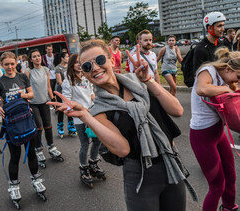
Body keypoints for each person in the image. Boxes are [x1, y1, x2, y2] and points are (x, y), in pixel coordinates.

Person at [48, 39, 190, 211]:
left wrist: (148, 81)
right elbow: (122, 150)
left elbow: (177, 110)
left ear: (111, 60)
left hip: (170, 163)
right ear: (84, 75)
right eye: (87, 66)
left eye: (99, 60)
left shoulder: (140, 82)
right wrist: (86, 116)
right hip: (140, 176)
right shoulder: (99, 111)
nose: (95, 68)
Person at [0, 52, 46, 206]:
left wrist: (24, 95)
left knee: (31, 154)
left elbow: (32, 94)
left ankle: (36, 180)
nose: (9, 67)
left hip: (27, 121)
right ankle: (14, 186)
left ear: (16, 63)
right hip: (12, 125)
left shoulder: (22, 77)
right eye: (6, 64)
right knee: (15, 156)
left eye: (12, 64)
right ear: (2, 65)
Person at [190, 48, 240, 211]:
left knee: (230, 176)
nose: (237, 81)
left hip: (218, 133)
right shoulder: (208, 70)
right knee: (217, 185)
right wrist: (226, 89)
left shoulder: (226, 78)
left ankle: (229, 207)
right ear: (227, 69)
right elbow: (201, 89)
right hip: (202, 136)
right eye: (238, 76)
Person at [62, 54, 105, 187]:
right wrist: (80, 109)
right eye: (76, 63)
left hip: (92, 113)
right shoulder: (68, 80)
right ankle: (84, 168)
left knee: (97, 140)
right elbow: (67, 100)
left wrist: (95, 100)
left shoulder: (86, 76)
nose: (79, 65)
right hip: (80, 117)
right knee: (85, 144)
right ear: (71, 65)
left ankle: (93, 163)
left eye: (80, 62)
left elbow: (91, 92)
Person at [26, 49, 63, 168]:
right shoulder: (28, 71)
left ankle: (51, 147)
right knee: (39, 127)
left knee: (48, 125)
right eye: (34, 56)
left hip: (45, 102)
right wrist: (26, 102)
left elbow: (48, 86)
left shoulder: (45, 69)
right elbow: (25, 88)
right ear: (31, 59)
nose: (37, 58)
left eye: (38, 56)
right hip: (33, 103)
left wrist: (53, 100)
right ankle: (39, 150)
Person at [54, 52, 77, 137]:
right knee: (61, 110)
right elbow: (59, 81)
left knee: (70, 108)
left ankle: (71, 126)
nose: (68, 58)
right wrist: (66, 86)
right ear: (62, 58)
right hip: (60, 92)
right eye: (67, 57)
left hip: (69, 91)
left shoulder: (69, 67)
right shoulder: (58, 68)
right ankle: (60, 127)